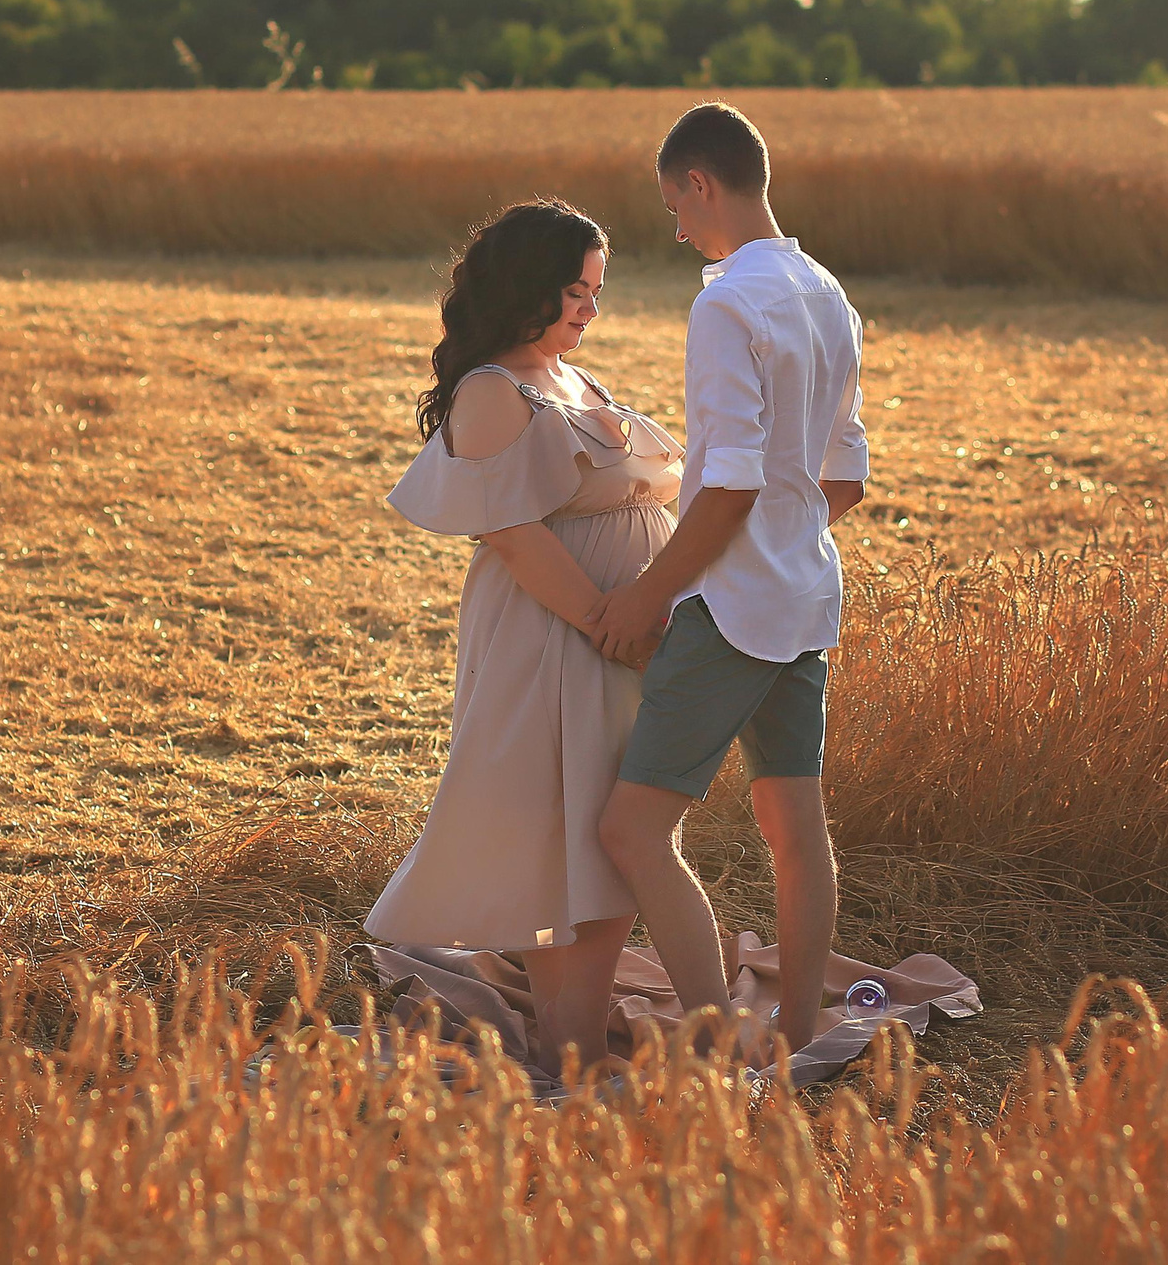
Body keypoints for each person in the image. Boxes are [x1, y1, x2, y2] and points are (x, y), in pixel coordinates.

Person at [367, 199, 684, 1080]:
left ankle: (572, 1034)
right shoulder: (492, 391)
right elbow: (512, 534)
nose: (591, 308)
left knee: (618, 829)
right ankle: (568, 1045)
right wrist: (606, 623)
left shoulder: (572, 379)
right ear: (527, 287)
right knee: (564, 832)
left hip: (619, 643)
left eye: (596, 290)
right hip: (557, 640)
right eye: (575, 290)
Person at [589, 101, 869, 1062]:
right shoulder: (830, 291)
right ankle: (799, 1033)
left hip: (731, 605)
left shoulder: (726, 303)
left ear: (702, 183)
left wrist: (651, 593)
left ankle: (712, 1044)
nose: (676, 228)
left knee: (632, 830)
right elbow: (846, 479)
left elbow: (730, 487)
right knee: (797, 828)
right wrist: (787, 540)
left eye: (675, 205)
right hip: (805, 598)